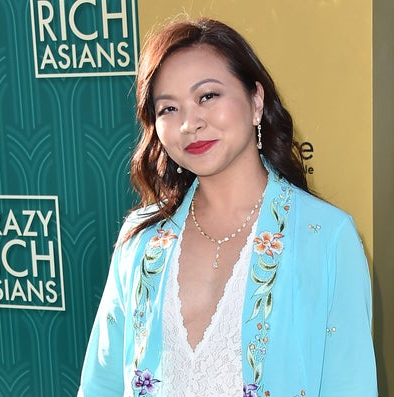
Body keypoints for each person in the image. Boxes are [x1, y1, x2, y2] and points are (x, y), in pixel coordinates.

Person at [78, 17, 377, 397]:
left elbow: (350, 386)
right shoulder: (141, 239)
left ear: (256, 100)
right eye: (168, 108)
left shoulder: (326, 237)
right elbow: (99, 385)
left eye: (208, 97)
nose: (190, 123)